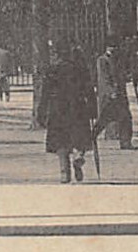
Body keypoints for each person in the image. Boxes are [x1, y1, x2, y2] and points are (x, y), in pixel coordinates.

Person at [37, 44, 97, 183]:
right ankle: (78, 156)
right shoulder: (80, 70)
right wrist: (93, 108)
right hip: (78, 107)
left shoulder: (52, 70)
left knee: (60, 142)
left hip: (58, 108)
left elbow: (45, 93)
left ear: (57, 54)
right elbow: (89, 90)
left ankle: (64, 172)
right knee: (80, 137)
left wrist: (41, 112)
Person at [92, 44, 136, 149]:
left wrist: (127, 76)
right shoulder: (102, 60)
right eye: (112, 47)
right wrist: (111, 91)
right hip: (109, 96)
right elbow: (104, 78)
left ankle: (126, 142)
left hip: (120, 94)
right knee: (104, 119)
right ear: (107, 48)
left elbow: (120, 75)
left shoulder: (118, 60)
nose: (114, 49)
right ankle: (91, 137)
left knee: (126, 118)